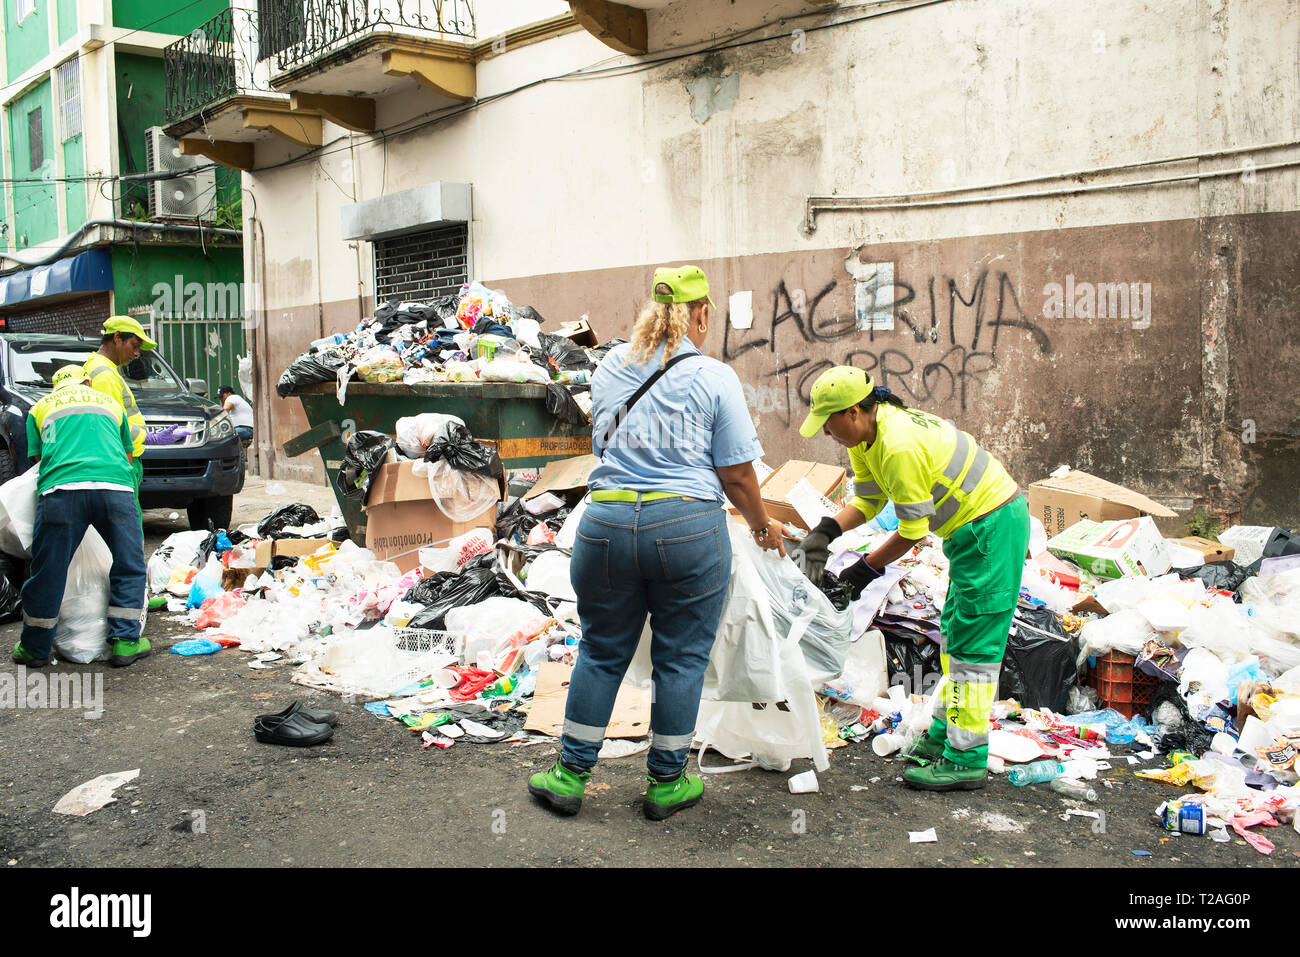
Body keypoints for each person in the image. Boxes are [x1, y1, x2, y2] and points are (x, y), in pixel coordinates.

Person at [527, 265, 785, 821]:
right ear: (699, 314)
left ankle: (570, 776)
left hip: (607, 526)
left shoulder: (610, 368)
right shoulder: (715, 377)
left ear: (651, 311)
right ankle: (667, 783)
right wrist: (763, 524)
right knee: (681, 657)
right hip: (687, 529)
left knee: (601, 649)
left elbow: (603, 447)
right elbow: (737, 474)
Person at [791, 366, 1029, 792]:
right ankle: (944, 735)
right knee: (955, 633)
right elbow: (866, 499)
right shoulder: (866, 435)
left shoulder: (898, 444)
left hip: (992, 529)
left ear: (852, 412)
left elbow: (913, 533)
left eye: (828, 422)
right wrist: (824, 532)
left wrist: (861, 572)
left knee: (974, 647)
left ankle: (965, 760)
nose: (827, 433)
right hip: (971, 532)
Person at [10, 365, 150, 668]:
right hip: (115, 490)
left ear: (56, 386)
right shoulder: (110, 403)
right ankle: (125, 642)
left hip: (62, 492)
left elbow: (38, 458)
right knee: (128, 563)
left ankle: (35, 648)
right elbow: (127, 453)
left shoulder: (40, 407)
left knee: (48, 570)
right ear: (87, 381)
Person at [83, 316, 154, 499]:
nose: (137, 353)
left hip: (123, 461)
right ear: (117, 338)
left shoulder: (102, 369)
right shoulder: (104, 375)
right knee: (129, 525)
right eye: (134, 345)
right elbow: (111, 427)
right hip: (123, 462)